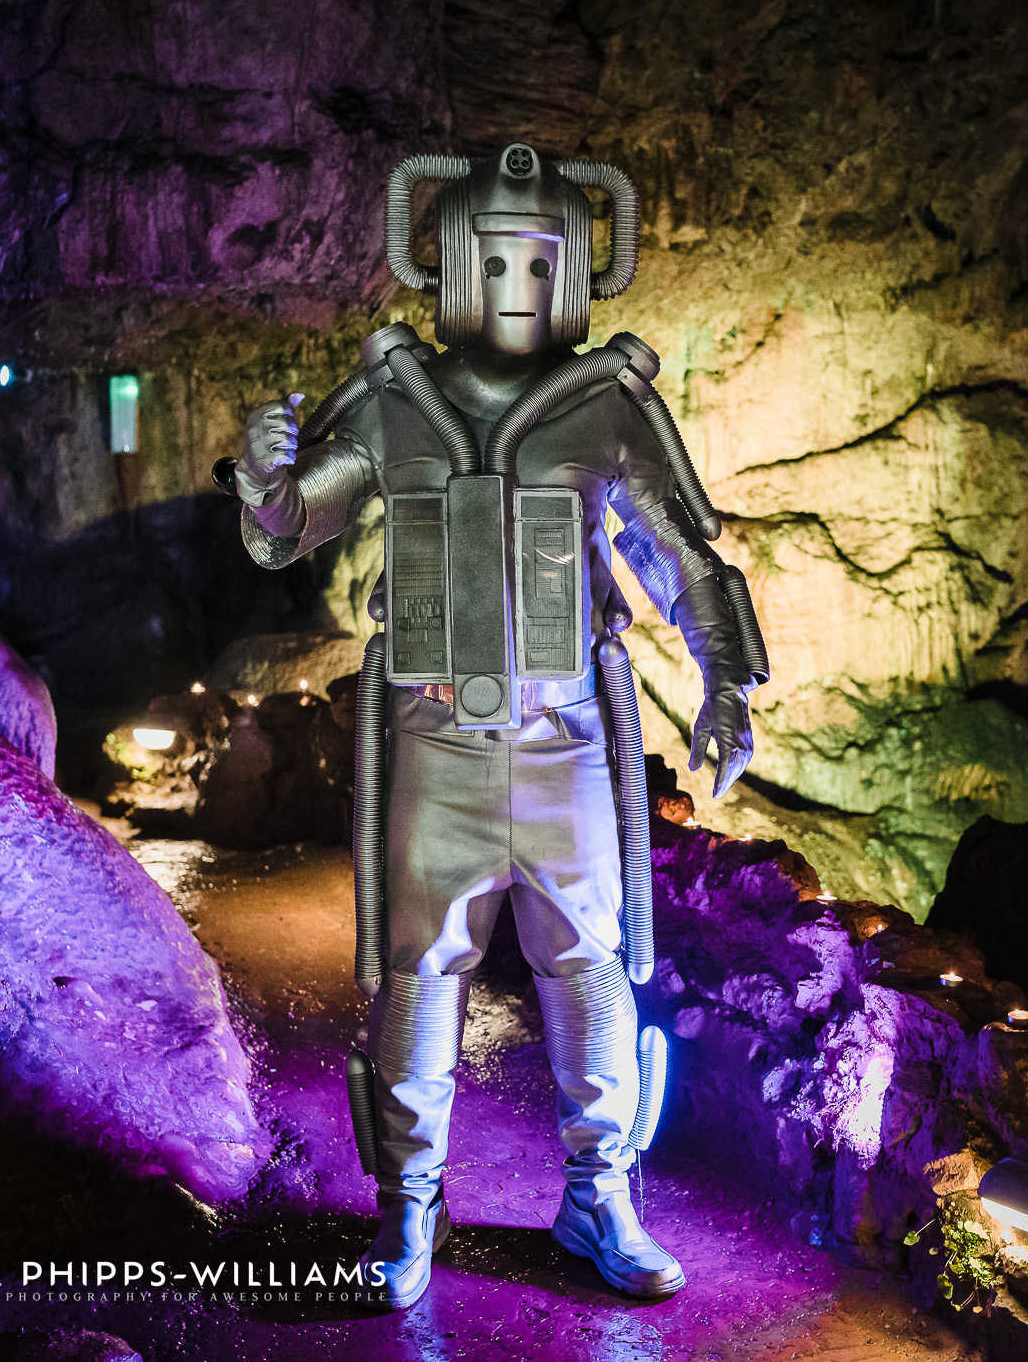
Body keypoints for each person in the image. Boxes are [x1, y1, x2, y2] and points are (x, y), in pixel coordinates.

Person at [224, 142, 762, 1308]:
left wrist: (728, 683)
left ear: (575, 271)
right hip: (435, 745)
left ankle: (598, 1198)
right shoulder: (392, 395)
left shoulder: (607, 402)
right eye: (495, 259)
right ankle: (408, 1209)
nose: (517, 282)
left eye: (539, 260)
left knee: (592, 970)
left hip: (566, 739)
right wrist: (263, 476)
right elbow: (289, 526)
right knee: (420, 977)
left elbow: (683, 555)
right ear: (451, 263)